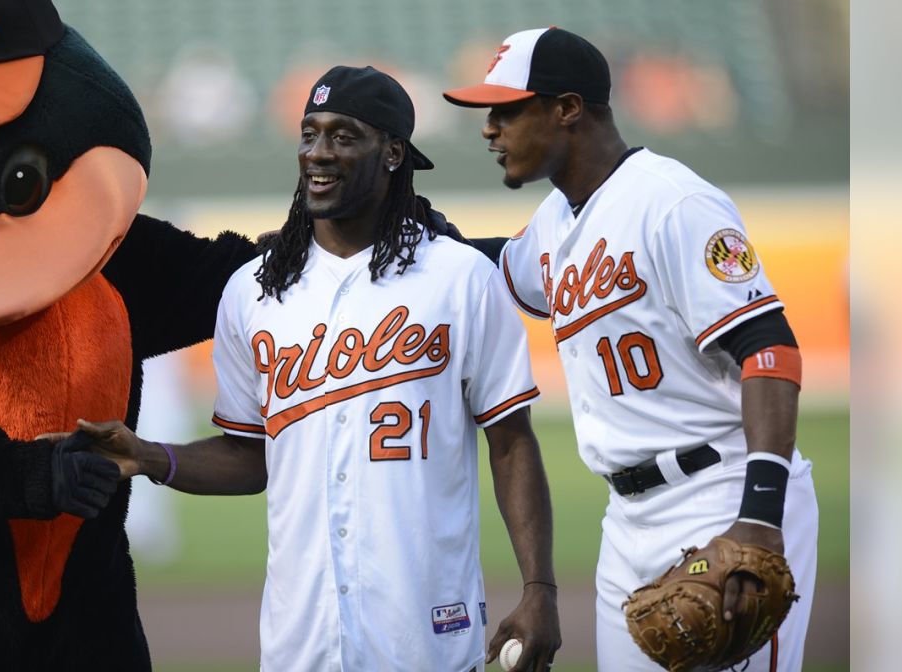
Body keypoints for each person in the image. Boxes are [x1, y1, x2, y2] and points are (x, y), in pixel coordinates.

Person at [81, 65, 561, 672]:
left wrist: (539, 589)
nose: (318, 153)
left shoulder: (458, 277)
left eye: (342, 135)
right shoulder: (253, 291)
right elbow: (250, 454)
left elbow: (512, 442)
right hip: (299, 639)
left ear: (392, 152)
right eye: (309, 134)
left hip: (427, 634)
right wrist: (150, 457)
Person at [442, 27, 818, 671]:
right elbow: (495, 265)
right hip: (627, 520)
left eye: (507, 109)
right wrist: (411, 232)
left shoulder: (672, 202)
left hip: (723, 496)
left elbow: (770, 350)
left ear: (567, 108)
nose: (490, 128)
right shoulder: (558, 222)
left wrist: (760, 514)